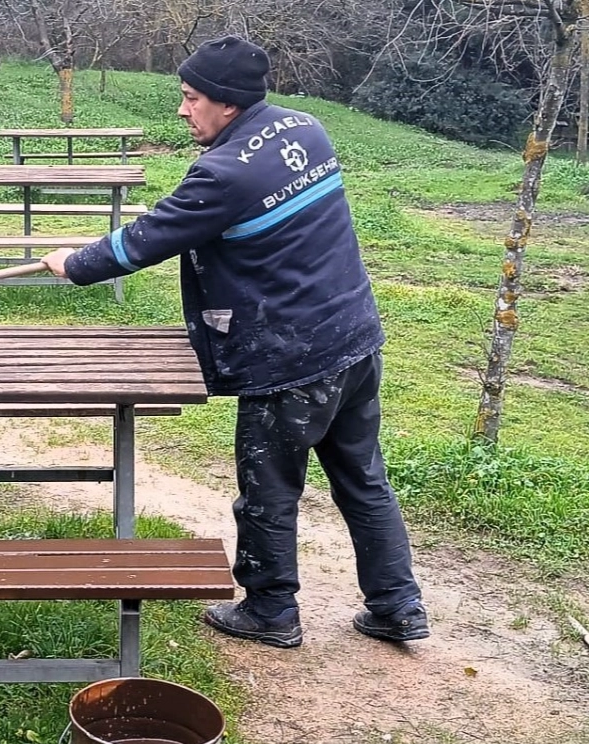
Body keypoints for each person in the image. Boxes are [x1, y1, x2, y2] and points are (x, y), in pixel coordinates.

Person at [41, 35, 429, 648]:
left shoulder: (222, 174)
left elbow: (146, 239)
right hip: (355, 340)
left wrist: (74, 262)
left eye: (190, 97)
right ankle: (398, 606)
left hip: (292, 359)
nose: (181, 110)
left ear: (226, 104)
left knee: (268, 490)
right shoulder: (307, 128)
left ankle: (271, 611)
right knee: (363, 478)